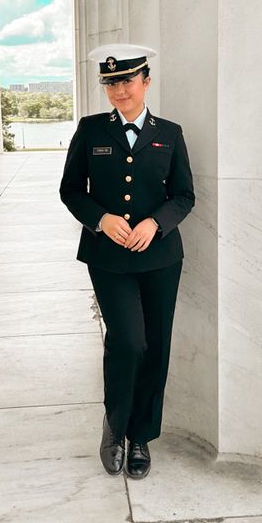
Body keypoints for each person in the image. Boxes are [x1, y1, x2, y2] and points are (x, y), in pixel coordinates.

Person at [59, 44, 195, 479]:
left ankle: (141, 436)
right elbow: (71, 190)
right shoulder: (91, 130)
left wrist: (156, 223)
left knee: (156, 346)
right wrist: (100, 218)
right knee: (128, 342)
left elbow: (184, 195)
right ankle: (115, 426)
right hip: (108, 258)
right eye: (111, 82)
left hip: (160, 258)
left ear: (146, 81)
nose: (119, 90)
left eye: (127, 80)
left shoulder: (170, 133)